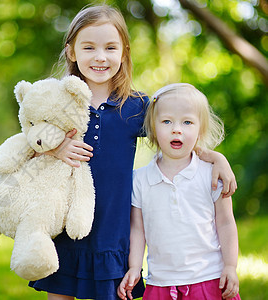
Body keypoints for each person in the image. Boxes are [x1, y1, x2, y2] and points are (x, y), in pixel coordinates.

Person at [29, 4, 237, 300]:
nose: (100, 57)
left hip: (112, 232)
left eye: (110, 48)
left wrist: (218, 158)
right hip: (65, 226)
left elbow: (173, 133)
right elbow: (31, 141)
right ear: (71, 52)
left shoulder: (136, 106)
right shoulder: (58, 102)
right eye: (89, 47)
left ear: (124, 52)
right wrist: (58, 146)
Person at [118, 83, 240, 300]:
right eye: (166, 121)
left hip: (208, 278)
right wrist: (135, 267)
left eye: (187, 122)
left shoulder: (212, 174)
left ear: (200, 129)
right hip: (161, 282)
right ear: (153, 129)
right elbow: (138, 229)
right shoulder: (140, 179)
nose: (177, 129)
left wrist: (230, 266)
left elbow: (226, 222)